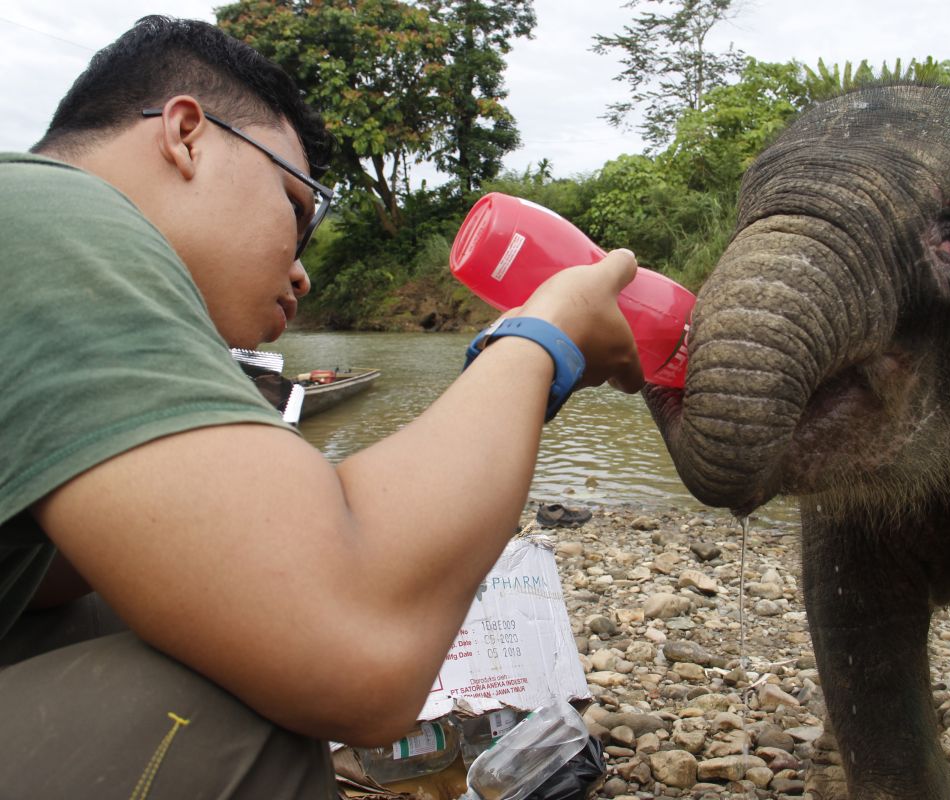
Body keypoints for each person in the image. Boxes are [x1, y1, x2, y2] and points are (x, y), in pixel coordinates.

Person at [0, 15, 643, 799]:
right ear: (186, 134)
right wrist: (546, 339)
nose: (302, 274)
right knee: (244, 698)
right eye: (295, 208)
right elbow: (353, 648)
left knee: (190, 605)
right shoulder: (57, 216)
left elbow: (249, 551)